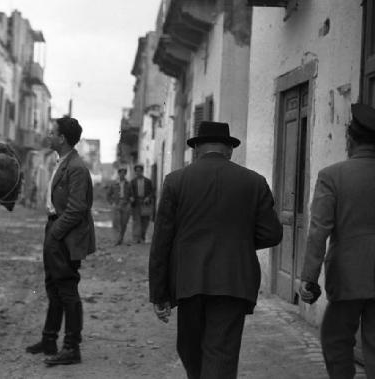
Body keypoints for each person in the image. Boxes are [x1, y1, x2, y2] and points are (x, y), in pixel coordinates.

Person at [148, 121, 282, 379]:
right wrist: (238, 243)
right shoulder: (254, 182)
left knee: (189, 348)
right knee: (221, 352)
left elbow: (161, 241)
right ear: (229, 151)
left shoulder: (175, 181)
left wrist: (159, 293)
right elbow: (272, 233)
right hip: (233, 281)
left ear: (196, 149)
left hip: (189, 281)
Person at [299, 103, 375, 378]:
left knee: (335, 340)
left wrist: (309, 277)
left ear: (349, 139)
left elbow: (319, 230)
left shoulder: (332, 176)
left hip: (347, 277)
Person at [25, 116, 96, 366]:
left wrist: (55, 234)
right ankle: (49, 340)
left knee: (66, 289)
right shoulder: (62, 162)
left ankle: (71, 348)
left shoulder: (76, 167)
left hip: (64, 235)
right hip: (55, 229)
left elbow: (77, 209)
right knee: (54, 288)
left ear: (62, 138)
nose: (48, 134)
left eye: (52, 132)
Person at [106, 166, 132, 246]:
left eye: (124, 173)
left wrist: (130, 200)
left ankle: (121, 238)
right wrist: (111, 203)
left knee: (124, 222)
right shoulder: (114, 184)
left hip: (126, 204)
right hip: (116, 204)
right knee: (116, 222)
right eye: (121, 173)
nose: (122, 174)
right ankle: (117, 239)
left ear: (125, 174)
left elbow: (132, 194)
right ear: (119, 174)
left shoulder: (128, 184)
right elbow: (108, 194)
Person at [130, 164, 154, 243]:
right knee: (137, 220)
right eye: (137, 171)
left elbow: (152, 192)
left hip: (145, 203)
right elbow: (130, 192)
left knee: (145, 221)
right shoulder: (133, 182)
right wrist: (131, 197)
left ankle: (143, 235)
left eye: (140, 171)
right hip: (136, 203)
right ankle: (137, 238)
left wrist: (148, 197)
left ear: (142, 171)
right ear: (135, 172)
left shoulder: (148, 181)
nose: (138, 172)